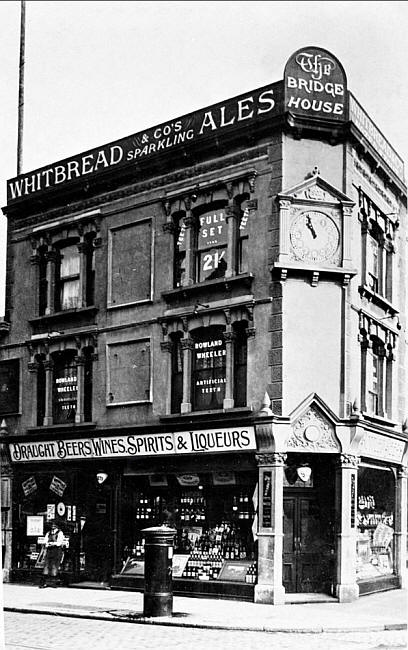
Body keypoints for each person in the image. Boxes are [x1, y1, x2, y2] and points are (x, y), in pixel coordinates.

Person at [39, 521, 65, 588]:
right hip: (49, 551)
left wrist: (52, 543)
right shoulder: (48, 533)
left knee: (54, 565)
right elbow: (45, 541)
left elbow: (59, 543)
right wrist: (47, 544)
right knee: (47, 565)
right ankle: (44, 582)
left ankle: (53, 582)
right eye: (52, 525)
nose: (53, 526)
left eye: (54, 525)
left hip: (56, 551)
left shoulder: (60, 533)